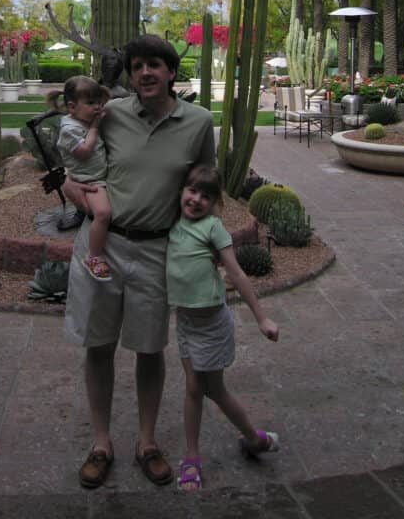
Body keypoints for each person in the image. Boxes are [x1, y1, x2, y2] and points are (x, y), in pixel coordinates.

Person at [62, 34, 216, 490]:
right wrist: (75, 193)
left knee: (150, 348)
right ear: (129, 76)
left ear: (171, 71)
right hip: (103, 247)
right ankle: (102, 442)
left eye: (154, 64)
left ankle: (147, 442)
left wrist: (206, 249)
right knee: (98, 344)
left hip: (156, 250)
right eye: (136, 67)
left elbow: (205, 187)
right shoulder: (108, 116)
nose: (144, 73)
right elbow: (73, 166)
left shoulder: (199, 122)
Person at [167, 164, 280, 491]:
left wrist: (261, 317)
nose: (196, 199)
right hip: (185, 323)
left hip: (212, 324)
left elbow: (237, 274)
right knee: (193, 387)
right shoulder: (173, 226)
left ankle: (253, 437)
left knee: (213, 389)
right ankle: (193, 455)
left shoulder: (212, 228)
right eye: (192, 191)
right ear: (181, 191)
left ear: (215, 202)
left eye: (206, 195)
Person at [54, 76, 112, 281]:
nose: (96, 107)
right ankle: (94, 256)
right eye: (90, 103)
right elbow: (85, 151)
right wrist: (95, 128)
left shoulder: (83, 120)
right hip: (89, 181)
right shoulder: (69, 129)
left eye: (98, 102)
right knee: (103, 213)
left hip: (98, 176)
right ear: (72, 106)